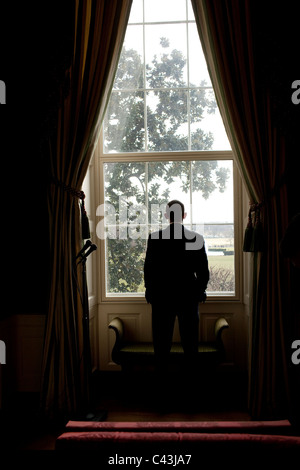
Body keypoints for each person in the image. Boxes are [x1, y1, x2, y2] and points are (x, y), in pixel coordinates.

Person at [144, 200, 209, 389]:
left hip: (162, 297)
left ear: (166, 216)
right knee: (190, 345)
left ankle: (162, 387)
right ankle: (190, 387)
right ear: (184, 216)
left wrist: (151, 291)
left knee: (161, 346)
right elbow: (203, 272)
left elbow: (149, 270)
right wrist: (198, 291)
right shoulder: (194, 238)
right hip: (188, 296)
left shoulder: (155, 238)